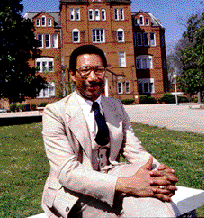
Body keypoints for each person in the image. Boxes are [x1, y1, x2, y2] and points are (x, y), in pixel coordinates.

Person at [41, 44, 179, 218]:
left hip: (115, 179)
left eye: (98, 70)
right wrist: (128, 184)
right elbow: (67, 173)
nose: (92, 77)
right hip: (73, 194)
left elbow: (134, 150)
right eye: (84, 70)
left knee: (152, 199)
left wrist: (160, 172)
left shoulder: (115, 106)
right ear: (73, 75)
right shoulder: (54, 112)